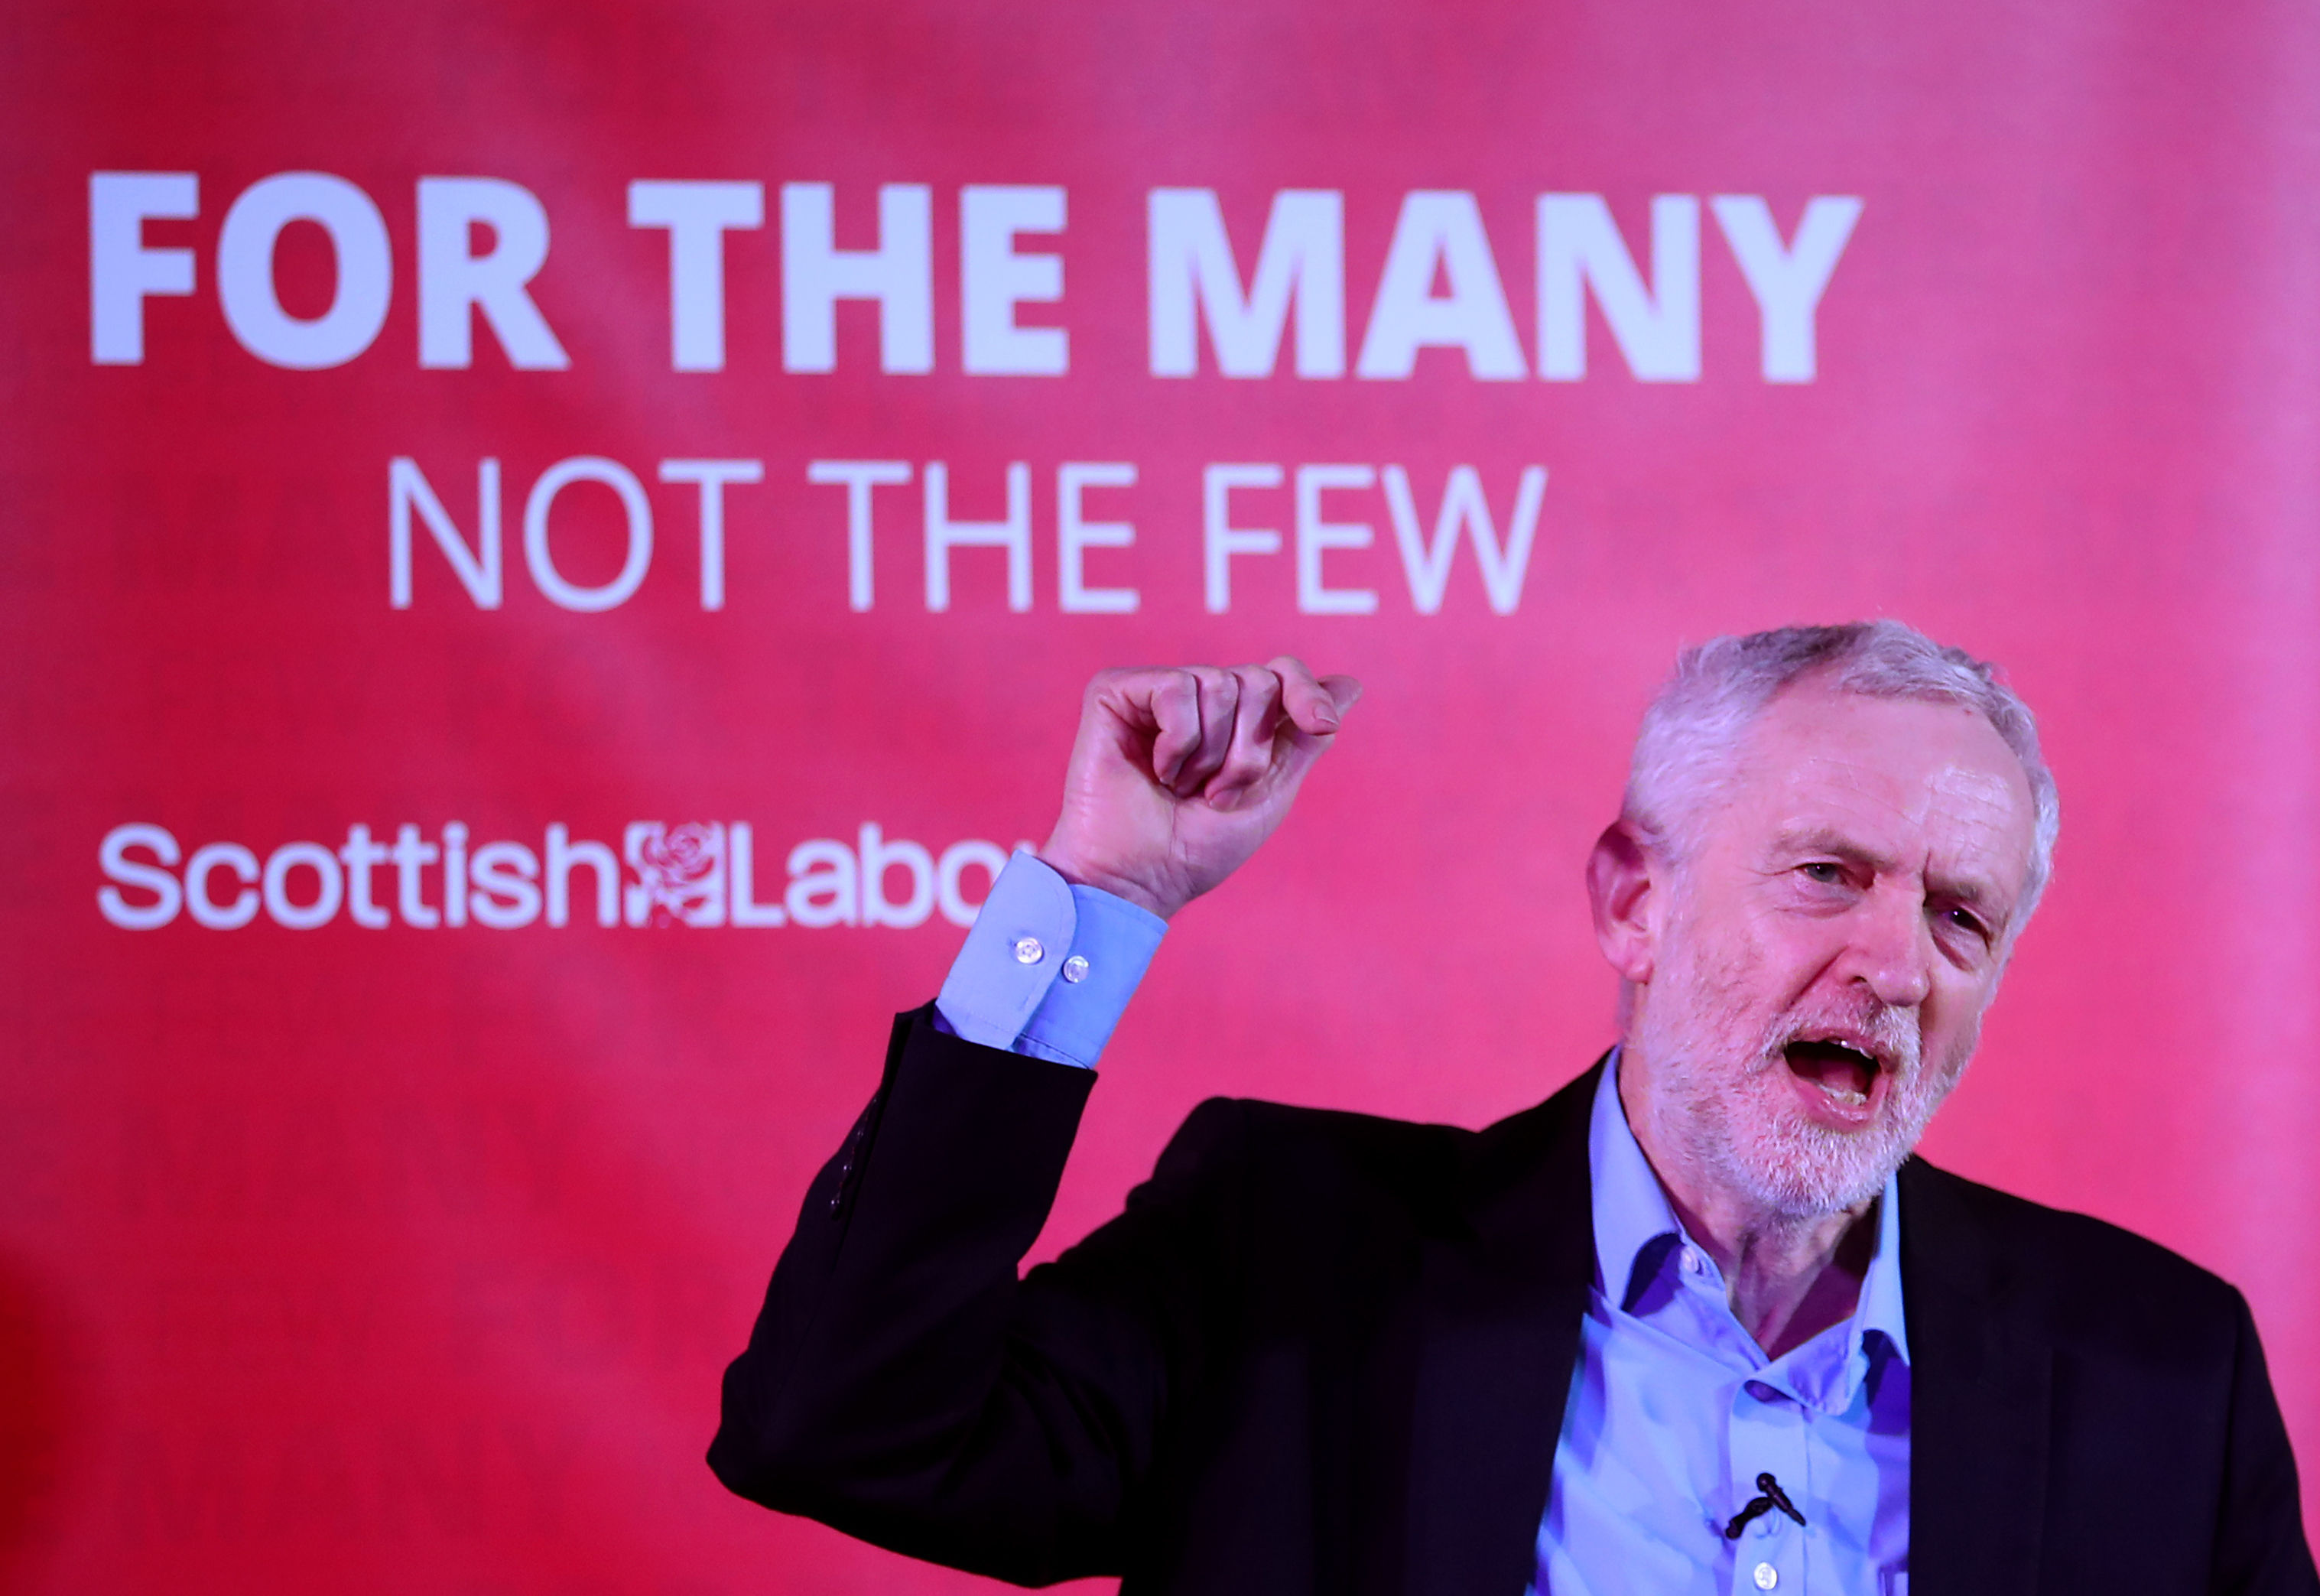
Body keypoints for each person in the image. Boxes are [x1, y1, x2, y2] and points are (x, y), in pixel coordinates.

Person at [710, 622, 2317, 1595]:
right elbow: (844, 1429)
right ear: (1632, 899)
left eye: (1959, 918)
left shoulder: (2159, 1372)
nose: (1892, 963)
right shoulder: (1293, 1257)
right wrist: (1101, 892)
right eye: (1823, 875)